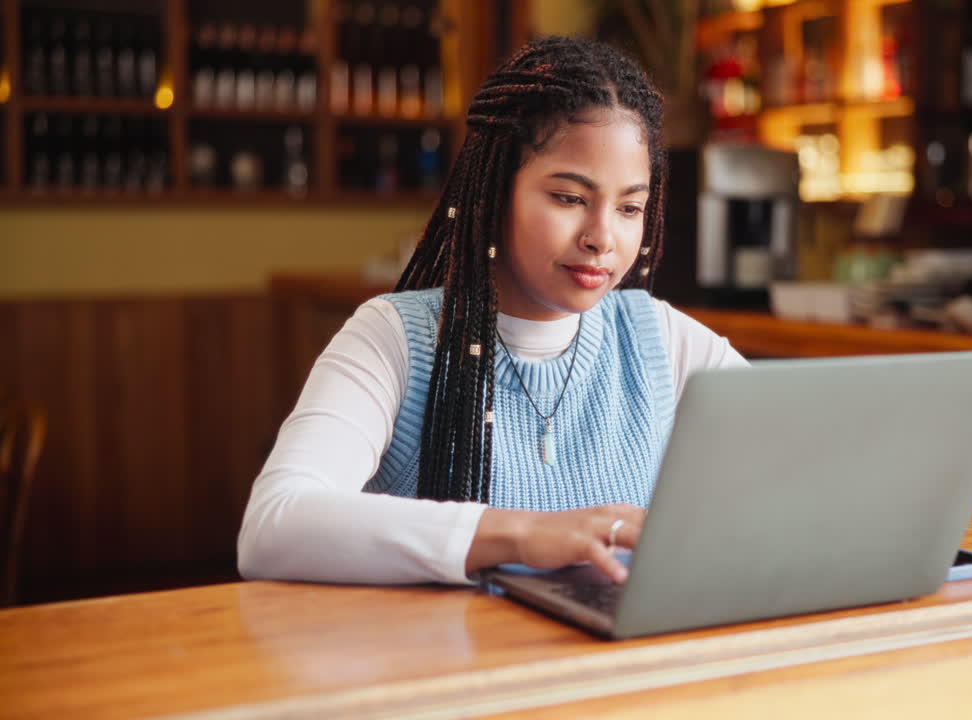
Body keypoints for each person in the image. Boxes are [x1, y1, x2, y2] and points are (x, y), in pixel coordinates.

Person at [237, 36, 748, 588]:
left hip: (613, 665)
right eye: (569, 198)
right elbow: (272, 527)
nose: (603, 237)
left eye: (629, 207)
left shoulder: (662, 342)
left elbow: (807, 480)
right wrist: (522, 534)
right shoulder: (394, 339)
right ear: (494, 192)